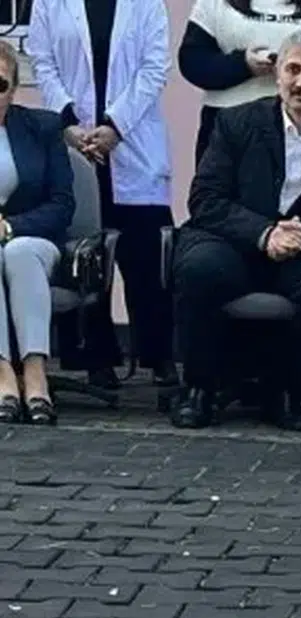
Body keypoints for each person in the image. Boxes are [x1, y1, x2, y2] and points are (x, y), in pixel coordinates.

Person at [169, 30, 301, 432]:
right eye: (293, 69)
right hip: (234, 242)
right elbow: (206, 199)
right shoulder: (235, 122)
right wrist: (266, 234)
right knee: (199, 269)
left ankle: (290, 392)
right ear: (278, 75)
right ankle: (199, 389)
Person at [27, 0, 177, 389]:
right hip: (75, 142)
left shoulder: (148, 4)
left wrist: (115, 125)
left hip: (134, 144)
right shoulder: (49, 3)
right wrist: (68, 124)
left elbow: (154, 68)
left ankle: (159, 356)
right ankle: (95, 359)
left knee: (146, 259)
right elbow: (43, 63)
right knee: (85, 259)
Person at [0, 43, 75, 426]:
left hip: (33, 241)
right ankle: (3, 375)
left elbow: (62, 204)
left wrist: (10, 227)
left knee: (19, 251)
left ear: (13, 90)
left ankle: (34, 371)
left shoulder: (42, 127)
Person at [178, 0, 301, 164]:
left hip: (299, 124)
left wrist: (294, 71)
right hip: (227, 125)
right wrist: (243, 64)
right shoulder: (214, 4)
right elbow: (192, 62)